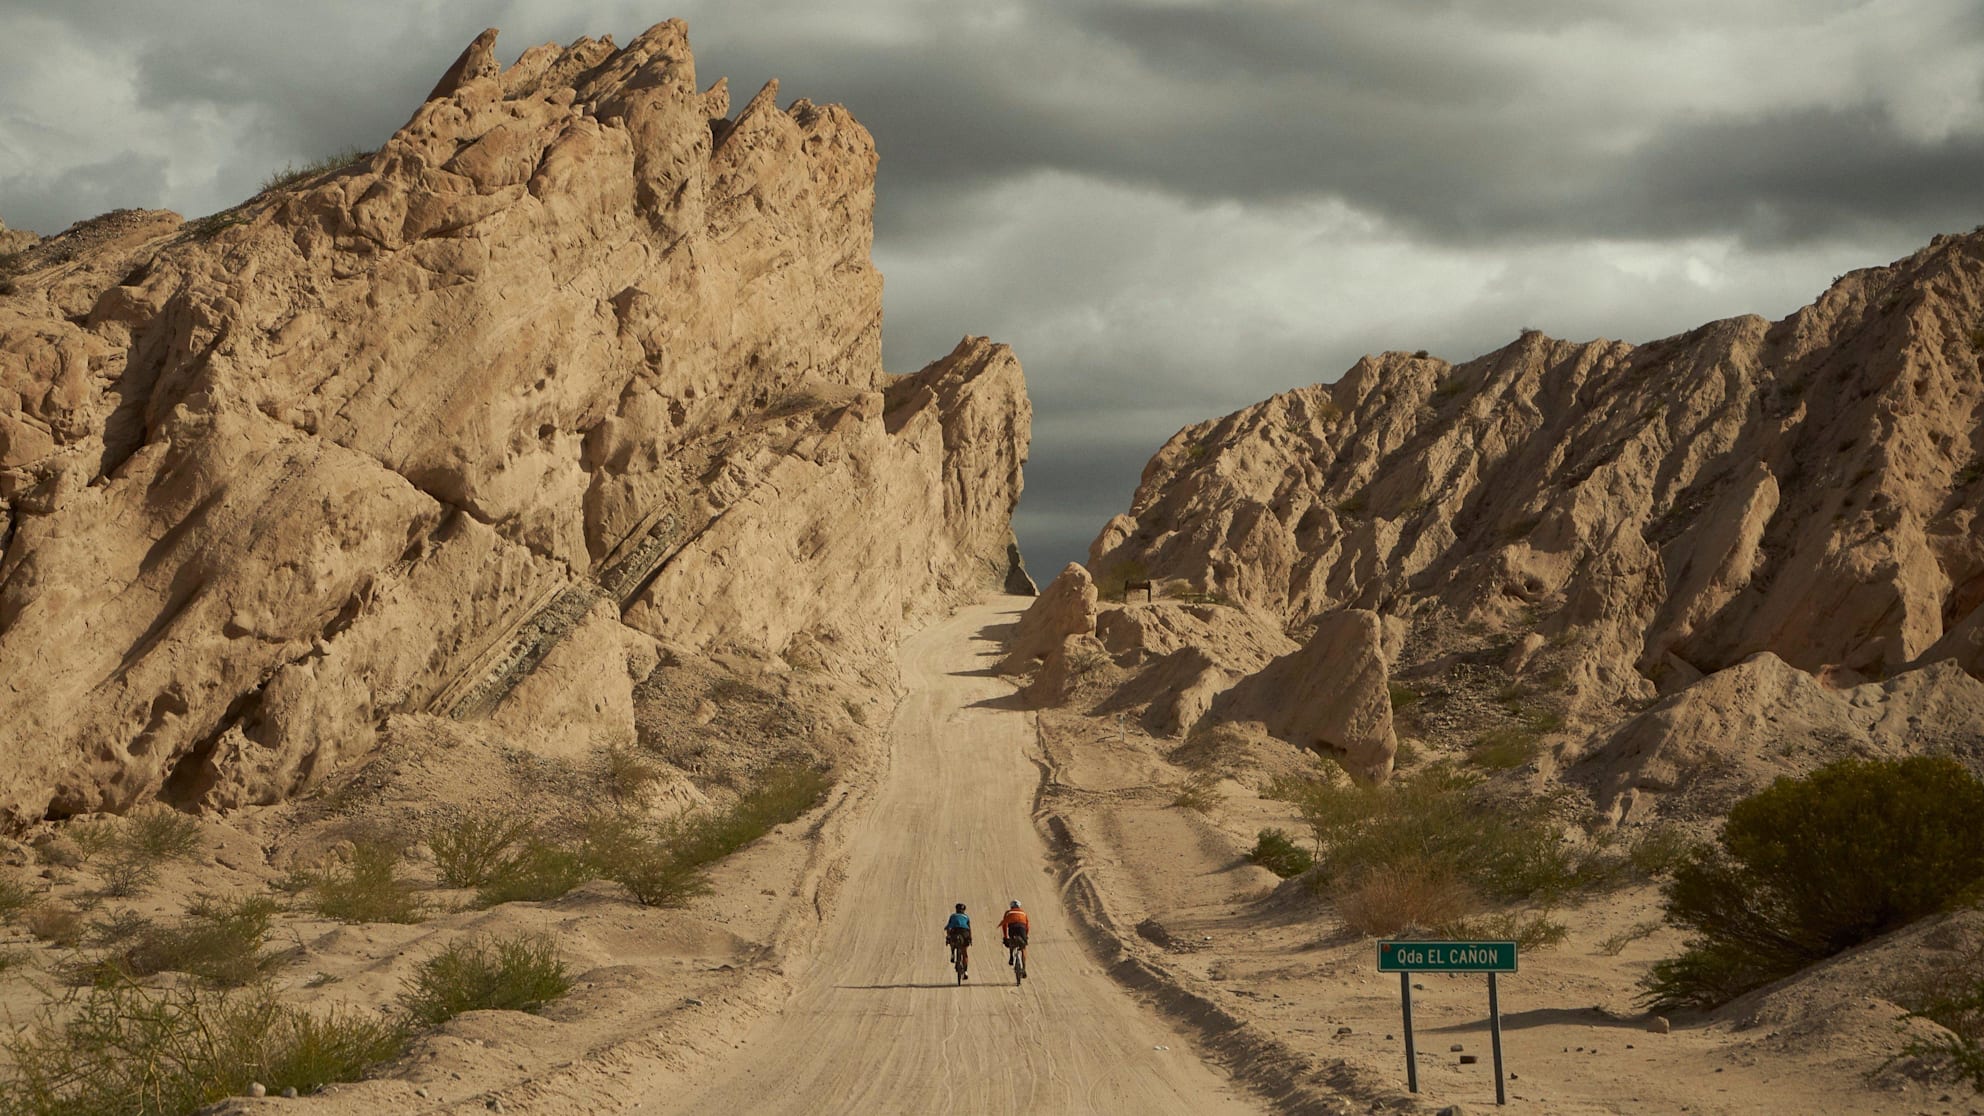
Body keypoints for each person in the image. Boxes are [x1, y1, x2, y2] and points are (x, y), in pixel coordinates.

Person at [944, 902, 972, 979]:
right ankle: (965, 971)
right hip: (964, 933)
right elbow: (969, 929)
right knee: (965, 953)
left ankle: (953, 953)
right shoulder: (966, 917)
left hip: (955, 931)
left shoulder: (953, 916)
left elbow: (949, 926)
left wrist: (948, 936)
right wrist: (970, 938)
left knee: (951, 938)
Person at [999, 900, 1029, 969]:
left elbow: (1004, 925)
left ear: (1011, 906)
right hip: (1022, 929)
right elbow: (1027, 926)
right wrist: (1026, 936)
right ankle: (1024, 968)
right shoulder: (1023, 913)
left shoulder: (1008, 912)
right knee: (1023, 948)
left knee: (1011, 941)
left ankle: (1011, 957)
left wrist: (1005, 937)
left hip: (1013, 928)